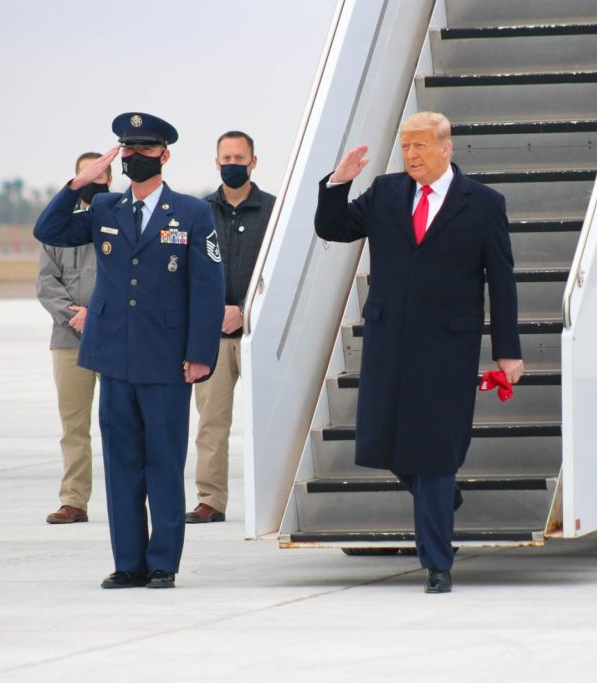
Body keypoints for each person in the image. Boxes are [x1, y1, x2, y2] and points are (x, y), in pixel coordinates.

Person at [314, 111, 523, 594]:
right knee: (380, 440)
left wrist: (506, 351)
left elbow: (502, 280)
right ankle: (443, 495)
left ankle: (437, 565)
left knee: (432, 451)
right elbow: (334, 229)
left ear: (446, 147)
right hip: (389, 340)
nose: (411, 155)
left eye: (420, 146)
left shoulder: (484, 204)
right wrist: (337, 184)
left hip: (448, 345)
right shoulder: (386, 192)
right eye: (406, 147)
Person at [33, 112, 225, 590]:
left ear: (165, 154)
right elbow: (49, 229)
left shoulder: (192, 213)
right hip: (114, 357)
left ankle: (162, 562)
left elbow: (207, 289)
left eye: (145, 149)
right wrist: (79, 183)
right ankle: (128, 563)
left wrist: (200, 353)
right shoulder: (104, 209)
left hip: (166, 361)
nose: (136, 157)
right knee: (121, 466)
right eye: (128, 149)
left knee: (162, 463)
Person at [186, 131, 276, 524]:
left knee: (271, 420)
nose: (233, 163)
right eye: (227, 157)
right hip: (211, 336)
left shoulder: (275, 210)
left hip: (259, 333)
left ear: (254, 162)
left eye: (240, 157)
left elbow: (279, 271)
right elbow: (189, 274)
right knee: (211, 423)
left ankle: (276, 497)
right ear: (216, 162)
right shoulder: (198, 212)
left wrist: (243, 310)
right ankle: (211, 500)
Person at [37, 152, 109, 524]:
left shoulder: (120, 220)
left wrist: (96, 315)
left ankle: (126, 499)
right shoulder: (57, 231)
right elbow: (46, 284)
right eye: (86, 176)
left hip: (113, 338)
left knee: (121, 423)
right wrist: (74, 315)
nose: (94, 182)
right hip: (69, 340)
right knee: (74, 426)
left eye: (100, 175)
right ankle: (74, 501)